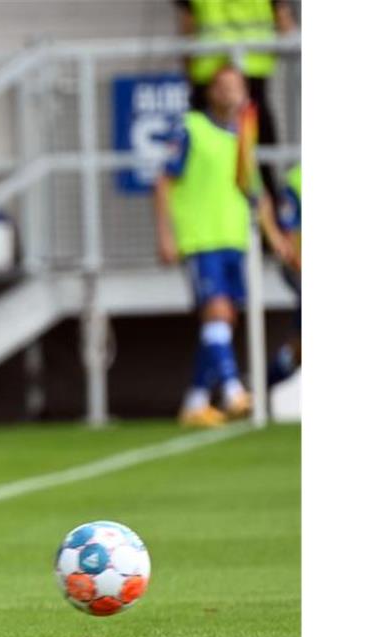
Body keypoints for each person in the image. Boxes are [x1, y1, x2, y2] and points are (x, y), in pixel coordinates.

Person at [153, 65, 295, 427]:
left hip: (233, 238)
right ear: (212, 92)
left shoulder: (242, 137)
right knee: (217, 312)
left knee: (224, 319)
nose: (232, 93)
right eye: (224, 87)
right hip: (202, 237)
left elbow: (254, 192)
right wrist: (166, 235)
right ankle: (233, 392)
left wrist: (276, 238)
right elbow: (164, 183)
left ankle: (196, 401)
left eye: (238, 87)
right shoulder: (192, 129)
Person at [174, 0, 298, 201]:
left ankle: (259, 217)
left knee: (206, 158)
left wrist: (190, 70)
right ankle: (265, 217)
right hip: (250, 71)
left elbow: (188, 26)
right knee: (259, 161)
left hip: (209, 73)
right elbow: (285, 24)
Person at [268, 163, 301, 386]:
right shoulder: (297, 180)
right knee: (300, 349)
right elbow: (289, 237)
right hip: (301, 269)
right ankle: (259, 388)